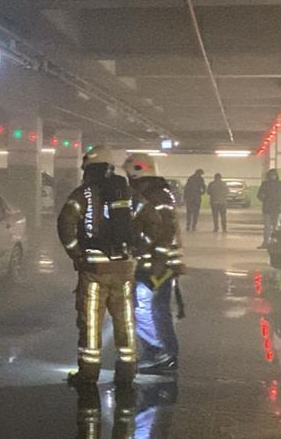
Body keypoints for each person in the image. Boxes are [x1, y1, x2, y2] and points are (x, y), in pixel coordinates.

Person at [57, 145, 138, 387]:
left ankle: (88, 374)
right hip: (124, 268)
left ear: (89, 169)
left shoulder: (83, 194)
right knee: (125, 321)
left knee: (91, 321)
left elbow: (65, 223)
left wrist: (75, 253)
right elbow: (149, 221)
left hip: (94, 270)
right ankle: (126, 371)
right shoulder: (126, 193)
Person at [123, 153, 185, 373]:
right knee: (153, 309)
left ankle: (162, 354)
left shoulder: (154, 194)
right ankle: (157, 353)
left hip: (156, 265)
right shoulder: (155, 191)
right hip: (157, 263)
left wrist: (156, 262)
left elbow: (164, 230)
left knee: (149, 310)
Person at [257, 169, 281, 248]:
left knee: (275, 226)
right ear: (268, 176)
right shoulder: (265, 184)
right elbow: (259, 195)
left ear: (276, 176)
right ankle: (266, 243)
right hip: (267, 208)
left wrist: (280, 203)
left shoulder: (280, 184)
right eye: (271, 175)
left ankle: (274, 243)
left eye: (274, 175)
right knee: (267, 227)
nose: (273, 176)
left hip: (276, 208)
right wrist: (264, 198)